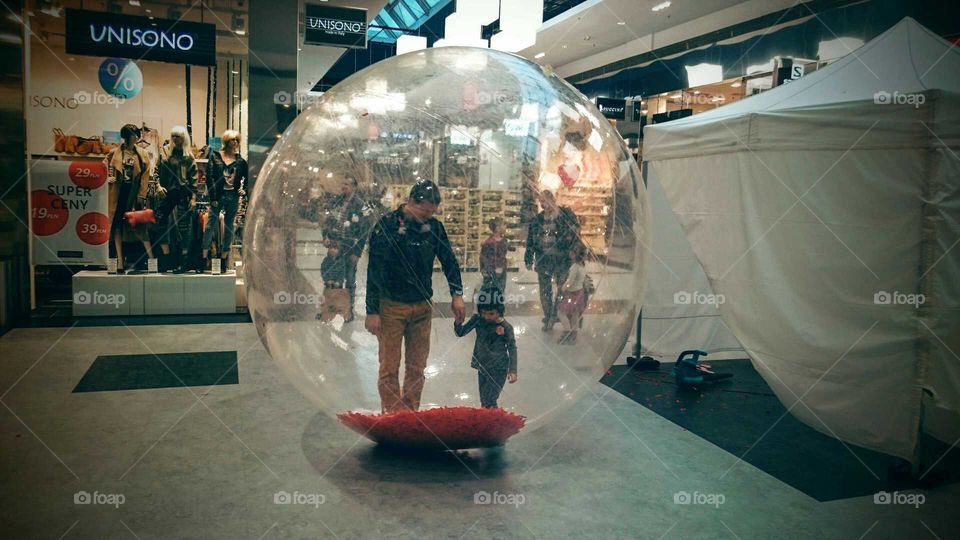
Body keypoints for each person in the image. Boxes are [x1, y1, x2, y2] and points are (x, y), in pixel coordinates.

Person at [366, 180, 466, 413]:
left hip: (422, 307)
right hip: (391, 306)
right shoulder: (387, 226)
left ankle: (409, 413)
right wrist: (372, 311)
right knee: (389, 367)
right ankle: (392, 415)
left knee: (417, 366)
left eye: (432, 213)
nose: (427, 218)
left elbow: (449, 261)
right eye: (424, 211)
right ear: (410, 202)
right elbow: (374, 270)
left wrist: (457, 294)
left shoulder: (435, 227)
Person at [524, 190, 580, 332]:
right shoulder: (537, 220)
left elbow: (576, 231)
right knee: (545, 291)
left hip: (561, 259)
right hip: (544, 259)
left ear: (552, 199)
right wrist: (528, 258)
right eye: (541, 202)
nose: (543, 205)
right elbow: (530, 240)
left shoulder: (565, 215)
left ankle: (556, 313)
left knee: (562, 288)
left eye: (545, 201)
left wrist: (575, 253)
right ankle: (549, 316)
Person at [454, 289, 518, 409]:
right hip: (482, 365)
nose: (486, 317)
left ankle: (493, 422)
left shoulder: (506, 327)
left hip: (499, 368)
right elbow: (461, 332)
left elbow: (512, 348)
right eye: (483, 313)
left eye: (491, 314)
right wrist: (458, 322)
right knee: (484, 399)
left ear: (499, 311)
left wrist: (512, 370)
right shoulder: (478, 320)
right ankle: (487, 421)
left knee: (491, 399)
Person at [104, 124, 154, 273]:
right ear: (126, 136)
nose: (134, 137)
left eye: (135, 135)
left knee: (140, 225)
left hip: (134, 193)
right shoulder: (114, 153)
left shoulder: (142, 154)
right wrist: (108, 177)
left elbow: (145, 175)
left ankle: (151, 258)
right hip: (118, 193)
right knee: (117, 225)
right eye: (132, 135)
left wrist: (141, 194)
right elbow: (102, 167)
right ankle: (120, 260)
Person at [324, 176, 372, 321]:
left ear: (354, 187)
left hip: (350, 248)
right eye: (343, 183)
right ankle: (332, 307)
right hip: (335, 246)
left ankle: (348, 310)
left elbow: (364, 230)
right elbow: (329, 219)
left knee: (350, 279)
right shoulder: (337, 201)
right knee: (332, 277)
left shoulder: (360, 205)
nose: (343, 186)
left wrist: (357, 253)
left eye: (347, 184)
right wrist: (326, 235)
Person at [201, 129, 248, 273]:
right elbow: (210, 178)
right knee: (209, 227)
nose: (235, 143)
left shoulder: (240, 161)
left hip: (233, 196)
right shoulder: (215, 157)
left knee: (229, 228)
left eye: (237, 140)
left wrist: (243, 189)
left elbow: (247, 179)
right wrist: (213, 198)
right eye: (232, 140)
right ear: (226, 141)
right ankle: (203, 259)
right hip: (218, 196)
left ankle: (222, 260)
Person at [153, 126, 198, 273]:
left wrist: (193, 197)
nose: (174, 139)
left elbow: (194, 180)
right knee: (159, 222)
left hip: (183, 193)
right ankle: (166, 259)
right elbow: (156, 170)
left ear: (184, 138)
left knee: (184, 228)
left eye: (178, 136)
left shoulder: (188, 157)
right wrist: (158, 186)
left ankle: (183, 262)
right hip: (167, 193)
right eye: (173, 136)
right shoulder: (165, 152)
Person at [556, 243, 587, 345]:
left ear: (574, 254)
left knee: (561, 313)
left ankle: (567, 332)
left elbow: (570, 282)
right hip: (579, 293)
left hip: (572, 294)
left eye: (571, 252)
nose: (569, 254)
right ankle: (574, 334)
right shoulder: (582, 266)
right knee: (575, 315)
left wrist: (562, 288)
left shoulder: (574, 267)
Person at [480, 217, 508, 294]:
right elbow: (484, 258)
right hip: (491, 271)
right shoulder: (489, 243)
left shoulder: (504, 240)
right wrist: (487, 270)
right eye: (503, 225)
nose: (505, 227)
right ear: (497, 228)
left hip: (501, 270)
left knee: (500, 290)